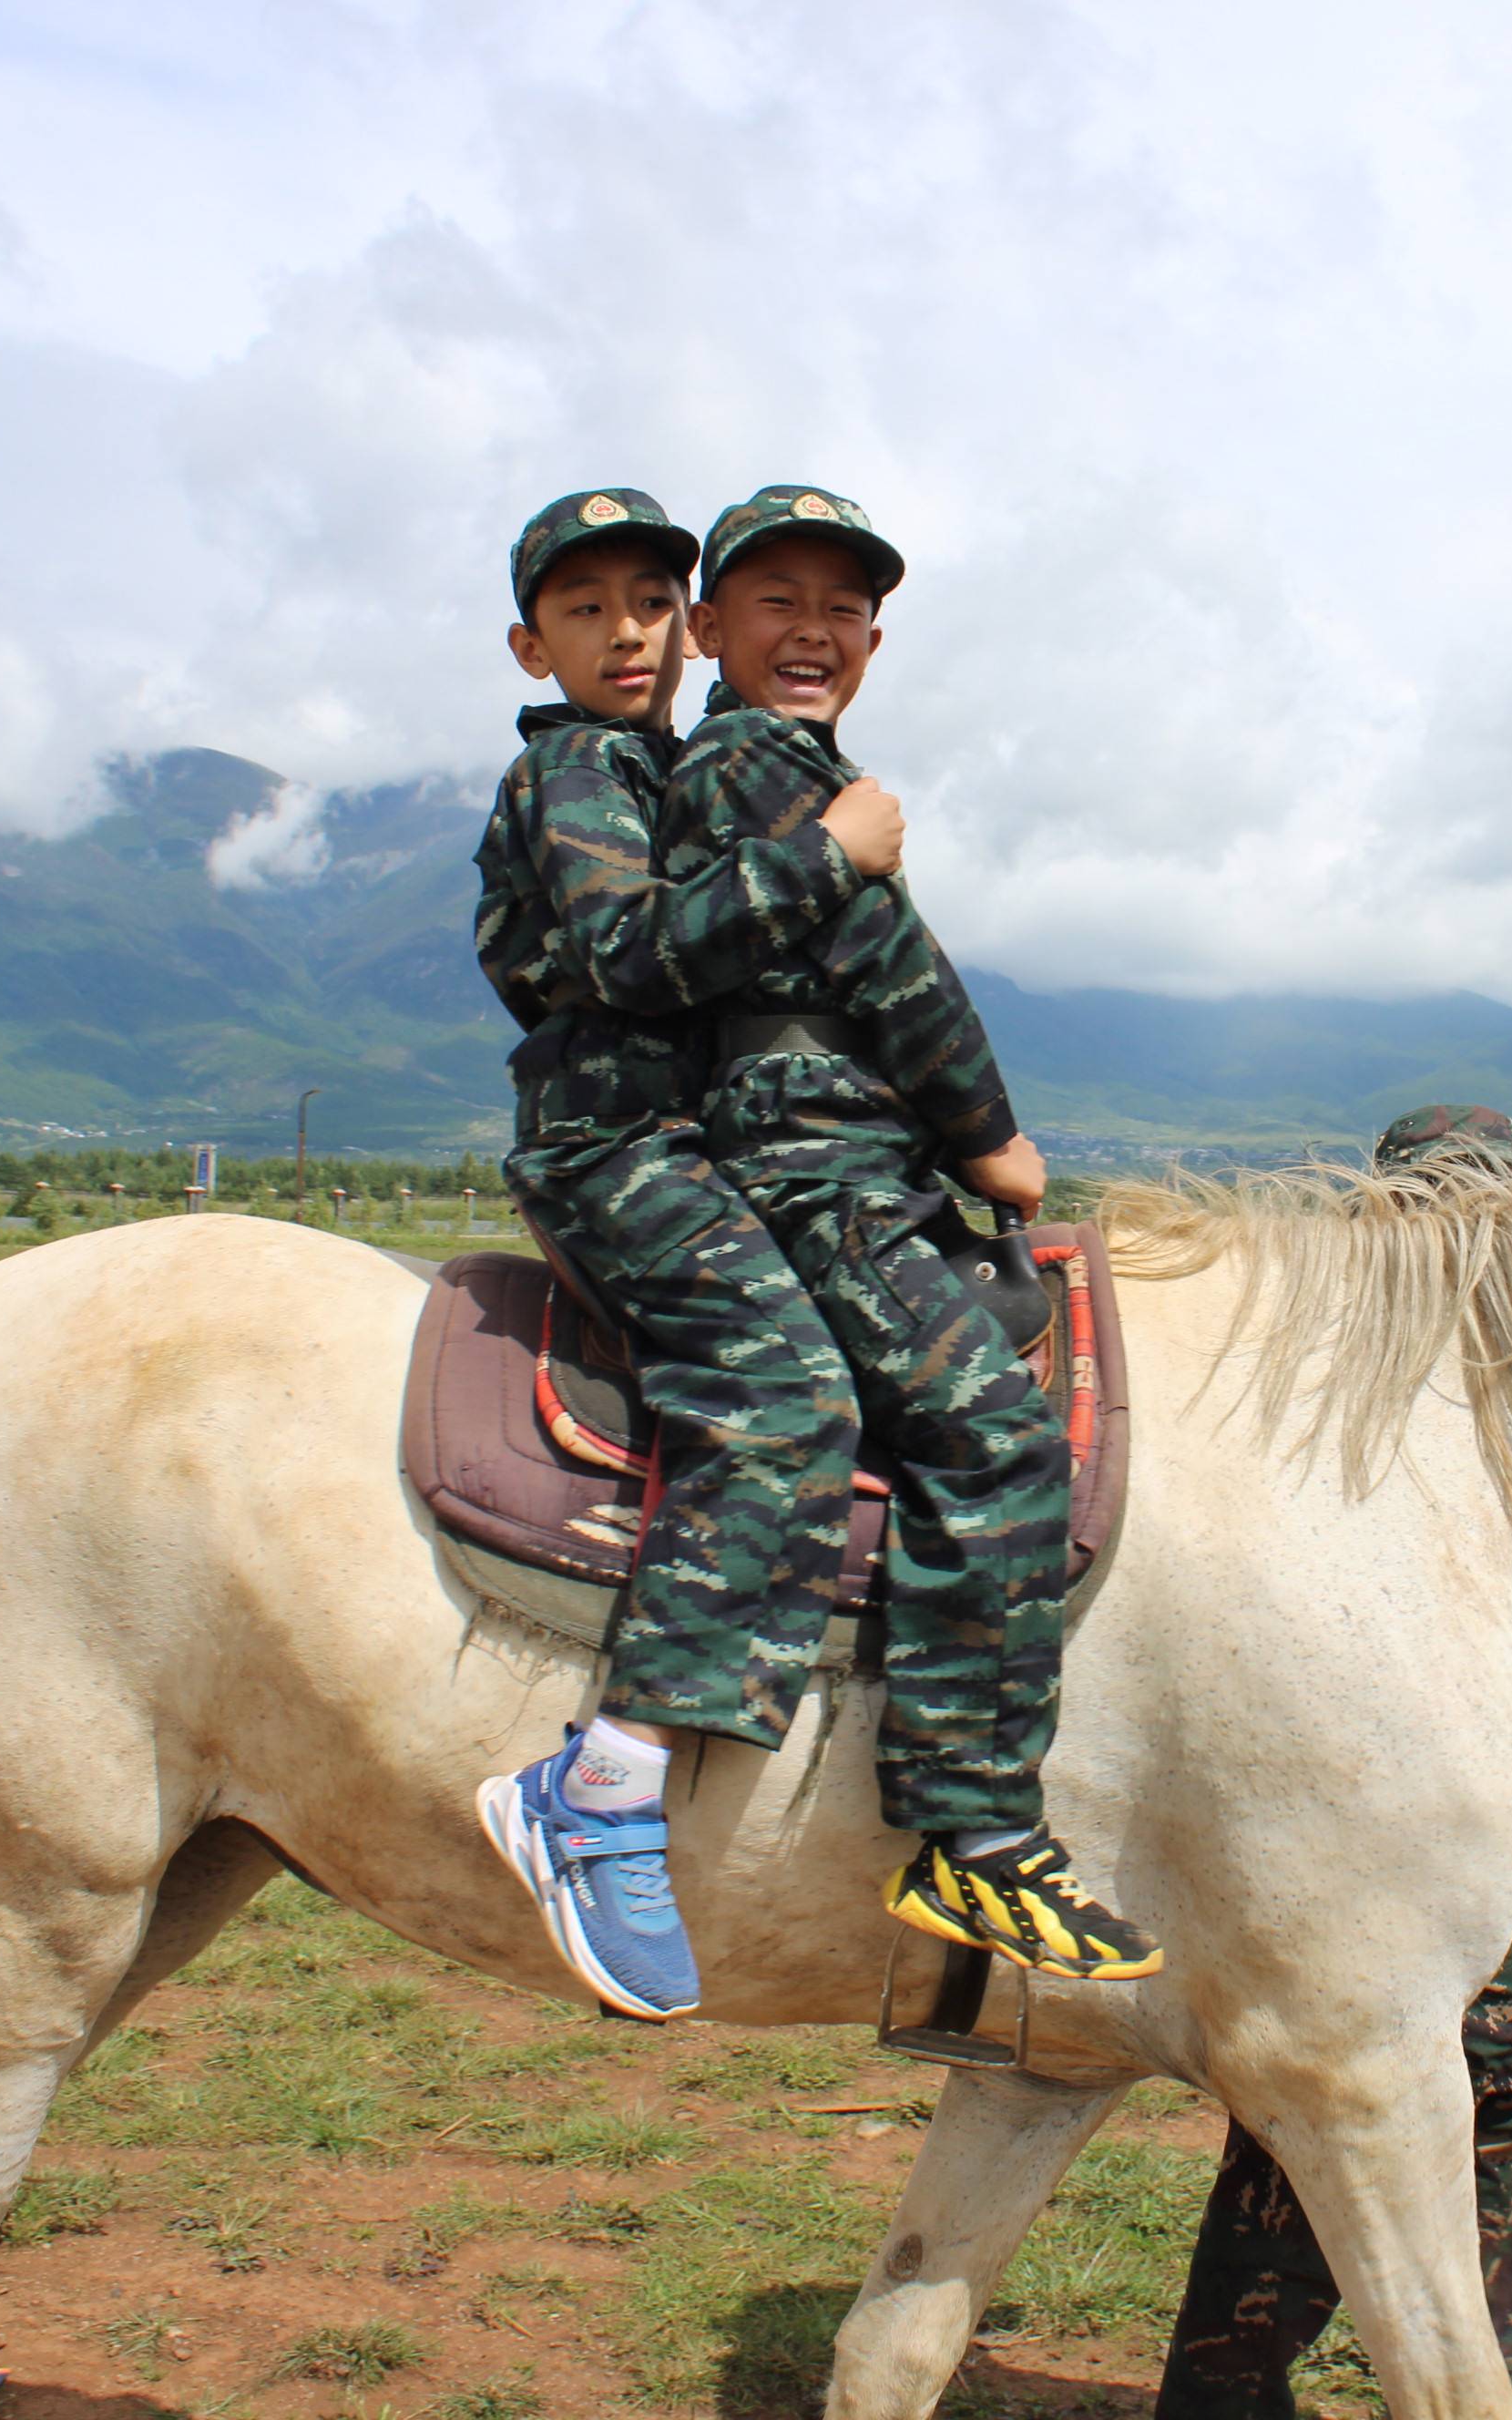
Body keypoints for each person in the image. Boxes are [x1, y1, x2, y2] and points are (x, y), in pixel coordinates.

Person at [659, 483, 1160, 1983]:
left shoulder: (801, 773)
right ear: (707, 627)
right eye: (778, 601)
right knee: (996, 1440)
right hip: (814, 1166)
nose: (815, 630)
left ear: (876, 640)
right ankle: (977, 1831)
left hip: (847, 1152)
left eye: (844, 608)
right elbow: (891, 968)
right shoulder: (759, 765)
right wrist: (989, 1135)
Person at [465, 487, 909, 2023]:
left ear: (690, 623)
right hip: (618, 1149)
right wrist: (829, 858)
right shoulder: (582, 769)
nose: (627, 635)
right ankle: (604, 1778)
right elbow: (623, 953)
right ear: (532, 646)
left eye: (651, 604)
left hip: (696, 1142)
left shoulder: (671, 768)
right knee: (786, 1395)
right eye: (585, 611)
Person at [1153, 1105, 1512, 2419]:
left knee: (1325, 2080)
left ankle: (1233, 2387)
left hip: (1291, 1791)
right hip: (1320, 1804)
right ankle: (1457, 2379)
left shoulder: (1358, 1352)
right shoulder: (1402, 1377)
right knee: (1491, 2072)